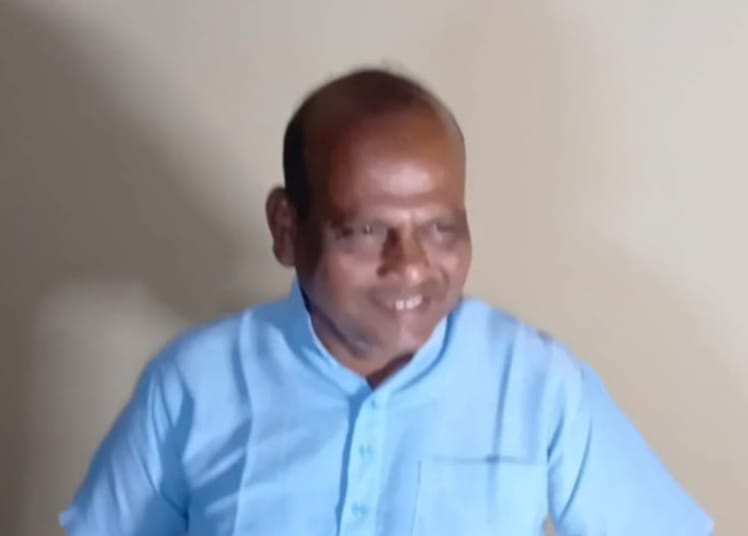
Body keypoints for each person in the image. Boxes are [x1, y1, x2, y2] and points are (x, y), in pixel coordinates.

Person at [60, 68, 714, 535]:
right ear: (288, 229)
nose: (412, 267)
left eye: (441, 228)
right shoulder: (191, 384)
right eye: (367, 230)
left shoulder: (538, 384)